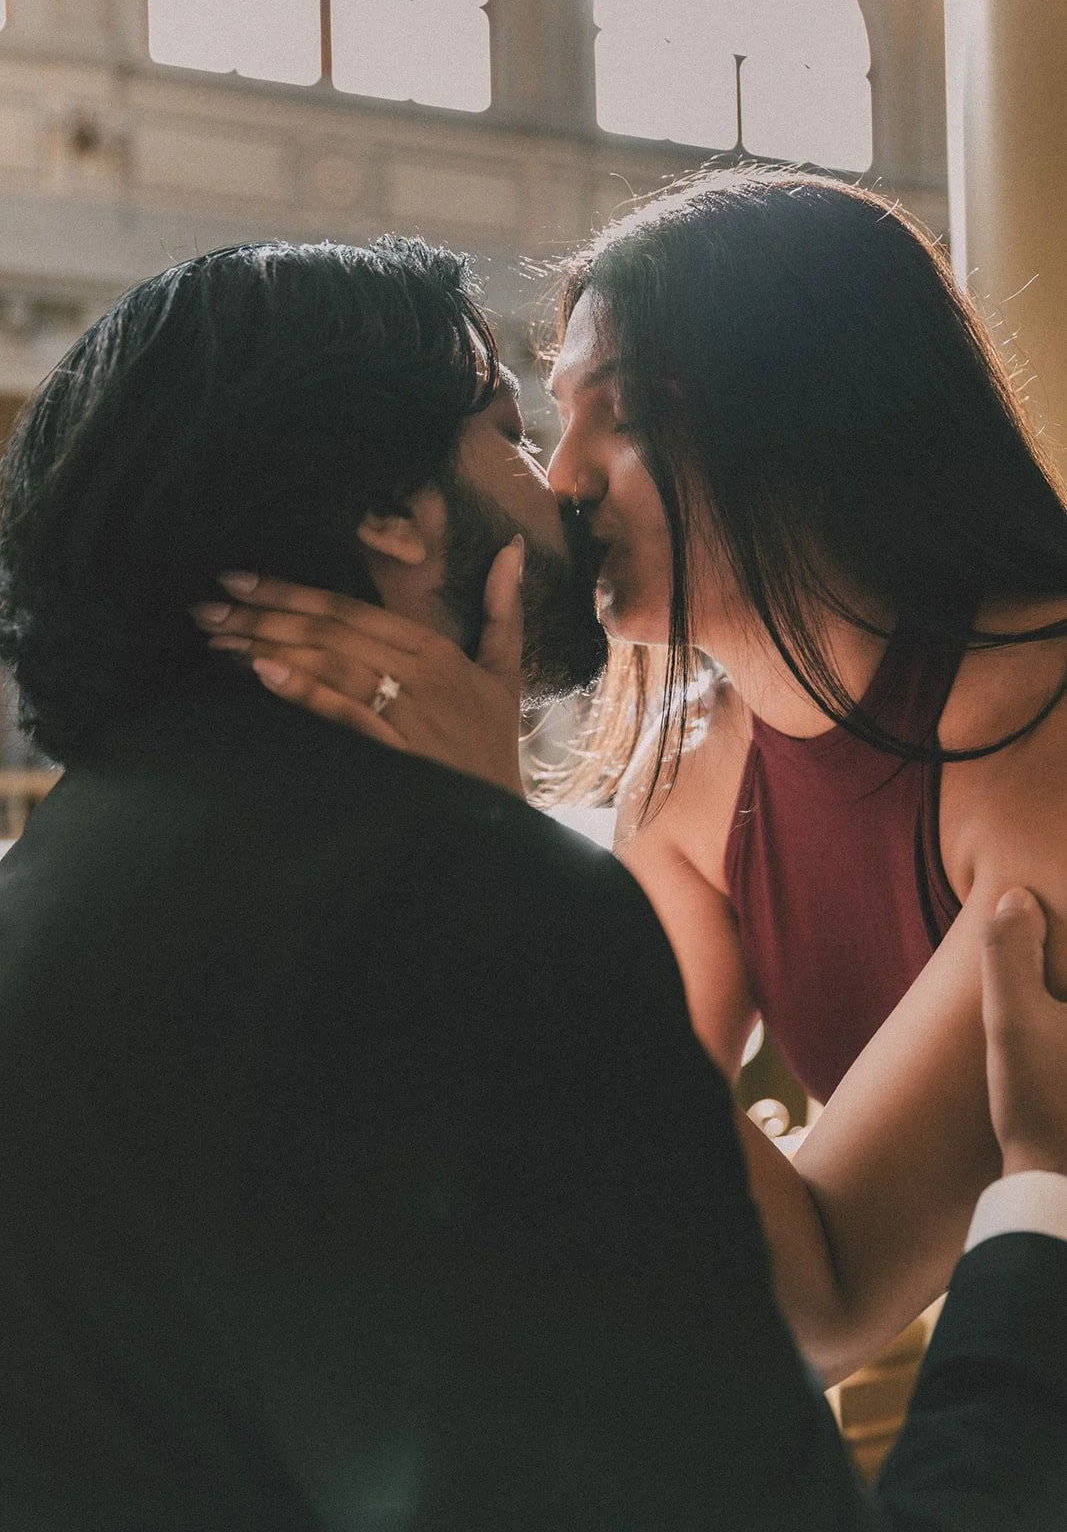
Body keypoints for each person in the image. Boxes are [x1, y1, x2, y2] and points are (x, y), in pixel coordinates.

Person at [1, 234, 1066, 1531]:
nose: (556, 479)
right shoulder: (477, 892)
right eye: (518, 425)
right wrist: (1041, 1181)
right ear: (387, 513)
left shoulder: (65, 887)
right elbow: (727, 1263)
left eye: (601, 417)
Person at [206, 170, 1067, 1383]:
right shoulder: (686, 778)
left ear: (808, 411)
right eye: (555, 422)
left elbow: (814, 1301)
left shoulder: (1040, 731)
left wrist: (490, 836)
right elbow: (610, 1167)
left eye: (624, 414)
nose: (561, 481)